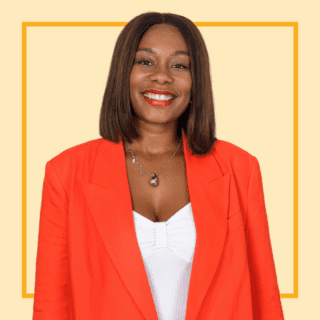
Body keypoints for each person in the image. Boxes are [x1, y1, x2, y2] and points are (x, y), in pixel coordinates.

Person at [32, 11, 285, 320]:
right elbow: (52, 303)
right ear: (123, 72)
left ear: (196, 81)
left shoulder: (239, 168)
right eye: (146, 62)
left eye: (179, 65)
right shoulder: (66, 172)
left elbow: (265, 298)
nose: (162, 76)